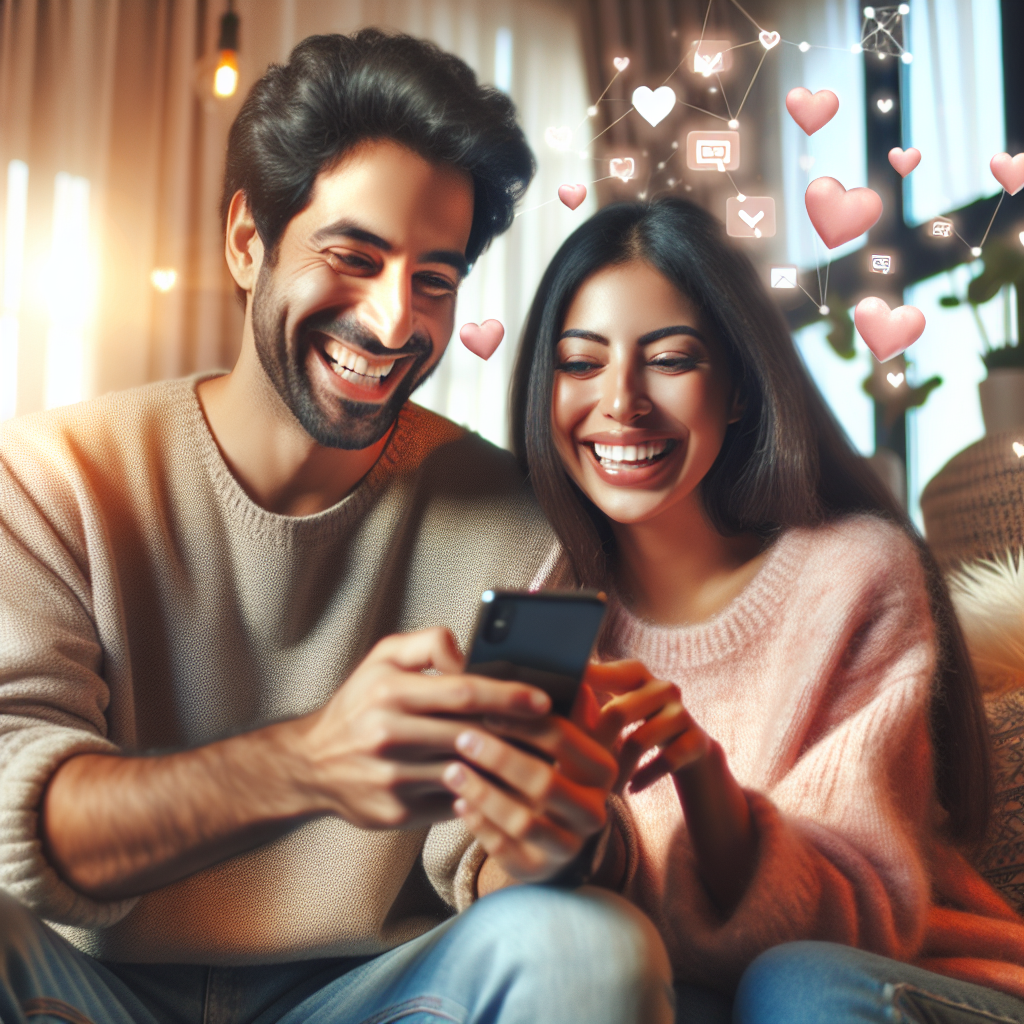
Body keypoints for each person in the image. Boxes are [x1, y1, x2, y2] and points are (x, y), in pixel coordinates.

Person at [0, 31, 674, 1024]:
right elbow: (26, 819)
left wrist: (543, 837)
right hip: (81, 990)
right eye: (353, 257)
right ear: (246, 241)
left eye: (434, 279)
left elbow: (487, 864)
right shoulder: (52, 477)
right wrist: (308, 762)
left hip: (361, 999)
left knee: (590, 945)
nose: (396, 321)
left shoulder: (519, 525)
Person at [509, 196, 1024, 1022]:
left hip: (899, 982)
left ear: (739, 389)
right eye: (581, 363)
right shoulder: (543, 600)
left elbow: (849, 924)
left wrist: (702, 775)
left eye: (670, 360)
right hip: (673, 998)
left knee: (793, 984)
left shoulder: (853, 574)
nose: (621, 401)